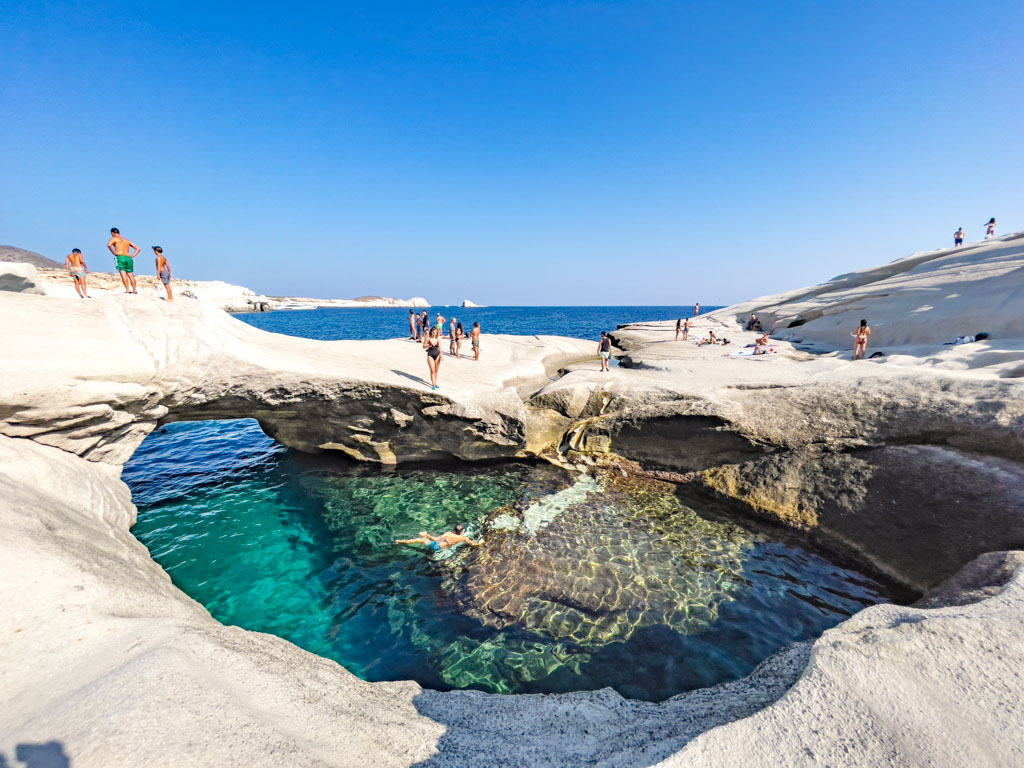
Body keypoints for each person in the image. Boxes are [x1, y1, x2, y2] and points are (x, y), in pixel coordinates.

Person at [394, 524, 482, 552]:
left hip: (436, 544)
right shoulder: (463, 538)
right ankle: (400, 541)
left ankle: (400, 541)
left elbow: (436, 539)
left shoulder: (448, 533)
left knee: (420, 540)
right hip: (438, 548)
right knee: (422, 540)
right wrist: (481, 543)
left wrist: (427, 535)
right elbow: (473, 544)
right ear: (462, 531)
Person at [107, 227, 140, 294]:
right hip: (128, 257)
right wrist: (133, 256)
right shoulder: (126, 240)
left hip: (120, 257)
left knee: (123, 274)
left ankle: (127, 290)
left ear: (112, 233)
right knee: (131, 275)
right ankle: (134, 290)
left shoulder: (114, 239)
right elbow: (138, 248)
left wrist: (114, 252)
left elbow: (109, 245)